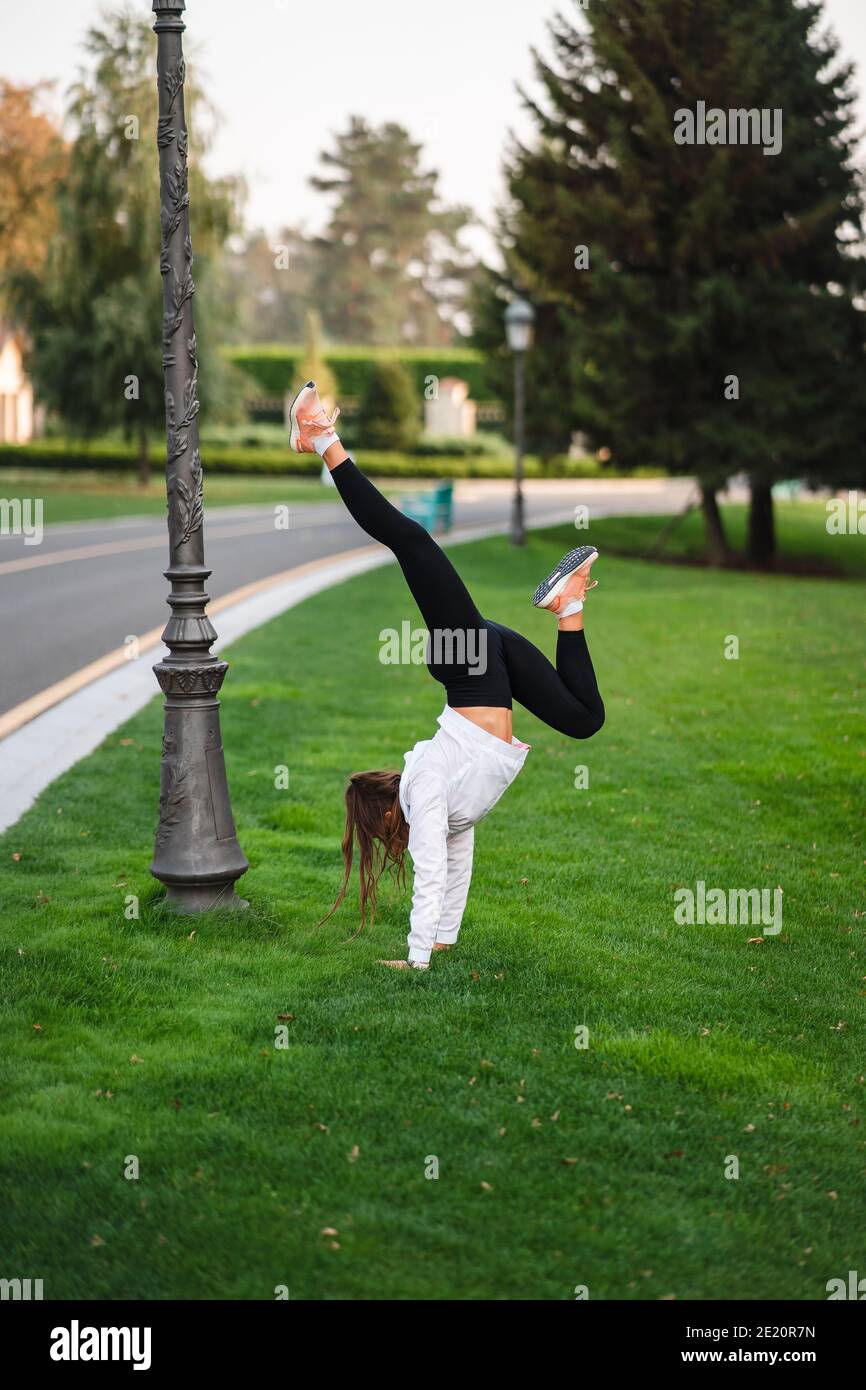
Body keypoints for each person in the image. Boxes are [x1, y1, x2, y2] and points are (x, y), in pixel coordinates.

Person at [291, 382, 605, 970]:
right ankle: (567, 606)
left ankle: (322, 438)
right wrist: (440, 942)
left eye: (382, 831)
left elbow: (429, 872)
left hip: (469, 663)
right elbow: (454, 867)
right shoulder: (448, 807)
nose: (391, 840)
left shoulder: (424, 790)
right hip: (490, 662)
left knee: (410, 541)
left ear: (388, 811)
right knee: (585, 719)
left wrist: (414, 962)